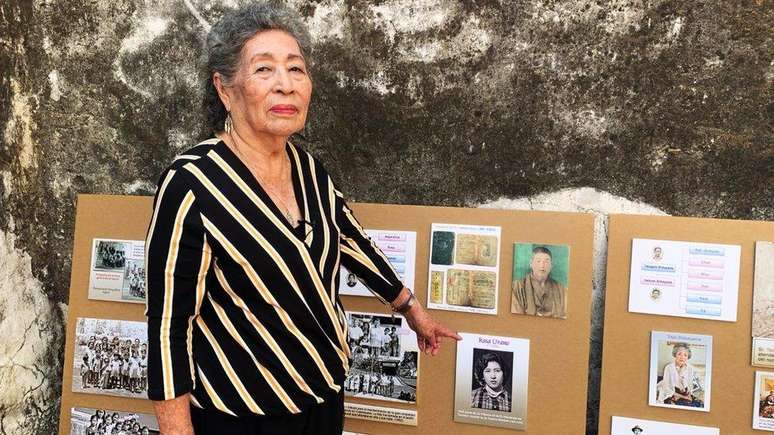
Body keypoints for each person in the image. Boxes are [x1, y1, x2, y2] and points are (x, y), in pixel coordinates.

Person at [144, 3, 460, 434]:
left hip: (324, 398)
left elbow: (351, 241)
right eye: (264, 70)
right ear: (224, 89)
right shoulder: (191, 183)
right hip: (243, 415)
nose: (285, 86)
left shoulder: (309, 169)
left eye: (296, 69)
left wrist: (411, 309)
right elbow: (168, 324)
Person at [511, 246, 567, 318]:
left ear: (551, 266)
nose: (542, 265)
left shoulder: (561, 289)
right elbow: (515, 317)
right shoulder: (517, 287)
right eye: (538, 261)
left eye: (546, 261)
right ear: (531, 264)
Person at [656, 343, 704, 407]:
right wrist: (684, 397)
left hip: (682, 392)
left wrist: (688, 393)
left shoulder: (689, 368)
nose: (682, 357)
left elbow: (690, 385)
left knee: (696, 403)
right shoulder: (669, 367)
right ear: (675, 355)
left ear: (688, 357)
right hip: (670, 390)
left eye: (685, 355)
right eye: (679, 354)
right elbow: (667, 389)